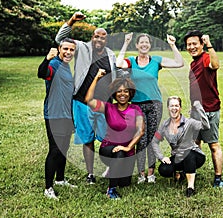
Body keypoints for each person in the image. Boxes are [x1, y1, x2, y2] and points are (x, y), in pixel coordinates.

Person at [55, 12, 117, 184]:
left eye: (102, 38)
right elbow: (60, 39)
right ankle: (90, 174)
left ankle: (110, 168)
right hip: (82, 102)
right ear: (92, 37)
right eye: (96, 36)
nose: (99, 40)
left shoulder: (111, 54)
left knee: (108, 139)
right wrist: (72, 21)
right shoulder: (81, 47)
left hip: (104, 105)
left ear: (106, 40)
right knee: (87, 139)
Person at [116, 33, 184, 184]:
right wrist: (126, 43)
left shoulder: (156, 60)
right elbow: (118, 63)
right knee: (140, 139)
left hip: (154, 105)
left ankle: (151, 174)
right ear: (137, 45)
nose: (144, 45)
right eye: (141, 43)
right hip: (137, 105)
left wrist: (172, 45)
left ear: (150, 45)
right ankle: (141, 174)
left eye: (147, 42)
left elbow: (179, 63)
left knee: (151, 139)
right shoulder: (132, 61)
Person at [85, 69, 145, 199]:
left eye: (125, 91)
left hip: (127, 152)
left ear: (130, 93)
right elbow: (89, 100)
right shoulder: (108, 107)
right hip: (108, 148)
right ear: (114, 93)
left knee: (125, 183)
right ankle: (111, 190)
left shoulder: (136, 109)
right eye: (119, 91)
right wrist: (96, 77)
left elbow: (141, 130)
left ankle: (113, 171)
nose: (122, 94)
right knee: (119, 153)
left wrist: (128, 147)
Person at [184, 30, 223, 187]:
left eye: (195, 43)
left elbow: (215, 65)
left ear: (201, 44)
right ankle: (193, 172)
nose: (192, 47)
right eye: (189, 44)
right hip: (196, 110)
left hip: (209, 110)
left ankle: (218, 178)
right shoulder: (193, 63)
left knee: (213, 144)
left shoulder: (206, 57)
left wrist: (210, 45)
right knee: (195, 142)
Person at [38, 38, 77, 200]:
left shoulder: (66, 66)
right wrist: (46, 59)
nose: (68, 52)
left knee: (64, 148)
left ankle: (60, 179)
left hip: (67, 114)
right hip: (54, 114)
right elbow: (42, 73)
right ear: (59, 49)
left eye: (71, 50)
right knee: (55, 150)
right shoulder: (54, 63)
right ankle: (48, 188)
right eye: (65, 49)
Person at [151, 96, 209, 197]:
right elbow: (154, 141)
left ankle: (190, 187)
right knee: (164, 169)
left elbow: (206, 126)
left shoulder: (189, 122)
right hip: (177, 156)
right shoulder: (164, 126)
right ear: (168, 108)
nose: (174, 108)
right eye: (172, 106)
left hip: (194, 155)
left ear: (180, 108)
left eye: (177, 106)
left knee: (188, 154)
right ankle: (180, 174)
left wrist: (199, 109)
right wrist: (161, 157)